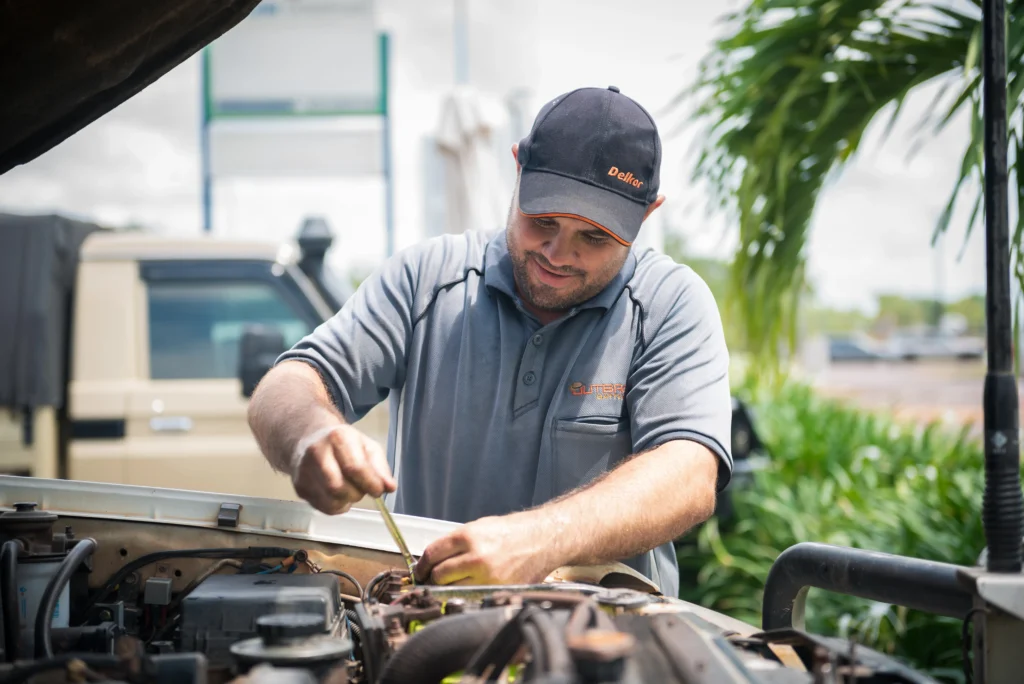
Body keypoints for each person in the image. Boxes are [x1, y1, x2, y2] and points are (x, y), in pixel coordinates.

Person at [247, 86, 733, 598]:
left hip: (606, 642)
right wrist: (310, 437)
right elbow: (288, 384)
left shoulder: (670, 304)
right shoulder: (425, 279)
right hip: (426, 623)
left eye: (594, 238)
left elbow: (688, 471)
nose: (557, 254)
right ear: (518, 168)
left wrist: (542, 540)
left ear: (647, 214)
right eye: (542, 221)